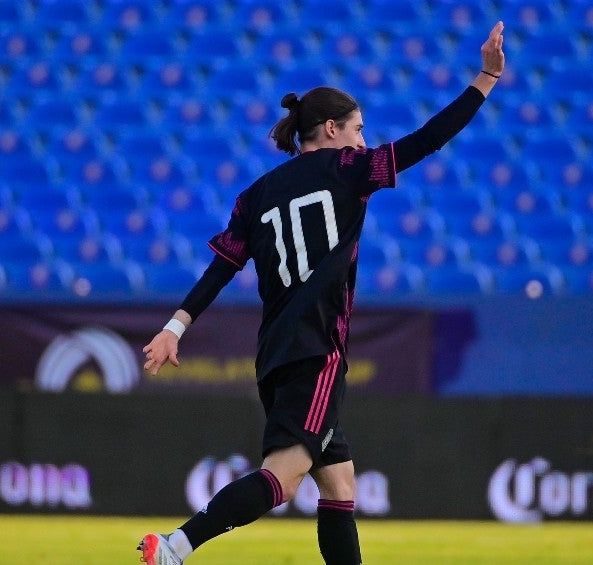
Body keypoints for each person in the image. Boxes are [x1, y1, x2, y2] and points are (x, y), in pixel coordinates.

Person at [136, 21, 506, 565]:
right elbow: (426, 140)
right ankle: (176, 546)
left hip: (276, 355)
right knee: (282, 481)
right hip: (317, 351)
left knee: (339, 485)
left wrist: (175, 327)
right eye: (358, 128)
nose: (364, 138)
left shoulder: (256, 194)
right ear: (330, 130)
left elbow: (222, 267)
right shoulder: (349, 168)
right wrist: (486, 79)